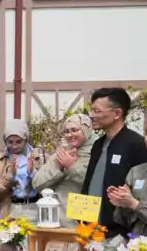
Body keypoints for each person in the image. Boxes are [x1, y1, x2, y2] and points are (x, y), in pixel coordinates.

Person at [82, 88, 147, 238]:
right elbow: (88, 184)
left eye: (96, 111)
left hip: (120, 234)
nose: (91, 115)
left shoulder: (135, 144)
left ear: (117, 113)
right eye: (91, 110)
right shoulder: (98, 144)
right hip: (90, 229)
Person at [0, 120, 42, 251]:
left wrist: (31, 173)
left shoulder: (40, 157)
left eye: (19, 141)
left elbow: (48, 185)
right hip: (9, 209)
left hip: (34, 209)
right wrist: (8, 177)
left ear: (26, 138)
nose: (14, 146)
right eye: (10, 142)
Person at [32, 114, 94, 227]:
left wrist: (72, 166)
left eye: (75, 130)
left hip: (82, 222)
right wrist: (58, 166)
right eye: (66, 131)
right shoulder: (60, 154)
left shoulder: (97, 153)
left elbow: (96, 185)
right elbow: (37, 184)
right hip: (53, 220)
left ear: (86, 130)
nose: (70, 135)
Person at [111, 162, 147, 235]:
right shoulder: (135, 171)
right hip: (136, 239)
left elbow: (133, 203)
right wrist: (121, 202)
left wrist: (134, 204)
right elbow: (122, 220)